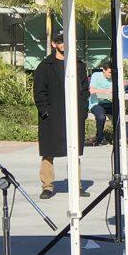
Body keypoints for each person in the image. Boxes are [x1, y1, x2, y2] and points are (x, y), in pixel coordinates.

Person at [33, 32, 90, 199]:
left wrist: (83, 110)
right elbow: (39, 92)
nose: (64, 44)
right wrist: (45, 111)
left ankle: (76, 184)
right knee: (48, 151)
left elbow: (85, 89)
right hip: (52, 115)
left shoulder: (78, 64)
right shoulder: (45, 66)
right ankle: (47, 186)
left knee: (74, 150)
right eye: (60, 41)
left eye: (67, 41)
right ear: (53, 44)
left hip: (74, 113)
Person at [89, 62, 113, 146]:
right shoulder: (96, 75)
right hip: (96, 103)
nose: (111, 75)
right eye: (109, 72)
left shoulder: (113, 78)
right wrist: (106, 91)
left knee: (121, 113)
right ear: (103, 70)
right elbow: (92, 90)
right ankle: (100, 138)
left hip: (110, 103)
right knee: (101, 117)